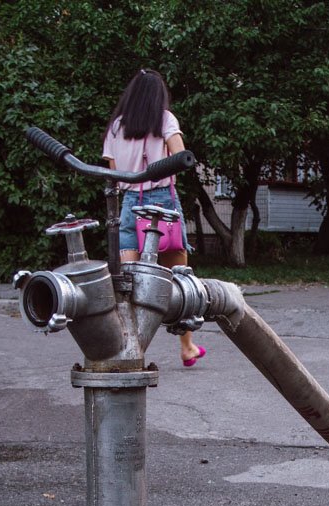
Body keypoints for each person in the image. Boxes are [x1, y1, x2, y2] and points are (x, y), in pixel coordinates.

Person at [102, 68, 205, 367]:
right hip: (163, 202)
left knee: (128, 283)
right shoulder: (164, 118)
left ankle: (131, 350)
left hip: (130, 203)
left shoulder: (117, 126)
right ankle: (186, 347)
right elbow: (180, 156)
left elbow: (111, 167)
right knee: (181, 278)